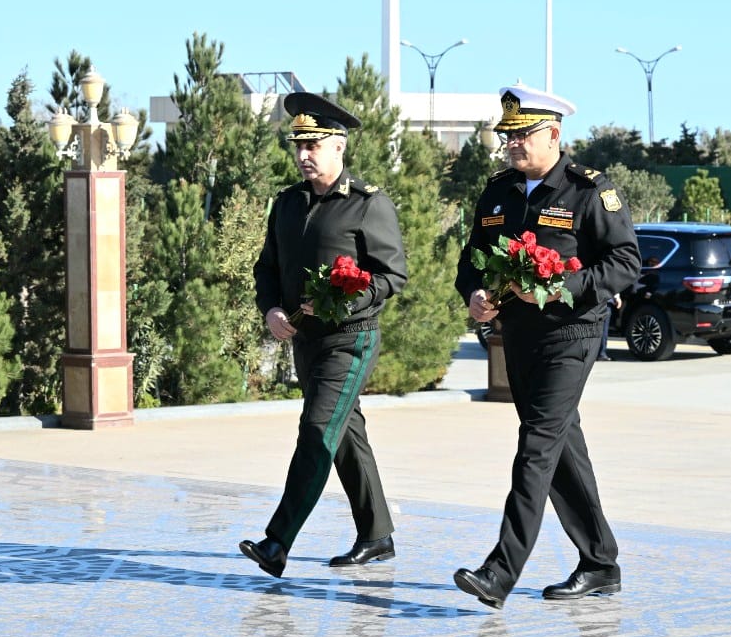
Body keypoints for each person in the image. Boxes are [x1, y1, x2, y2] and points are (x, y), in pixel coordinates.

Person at [452, 85, 641, 609]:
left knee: (536, 446)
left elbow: (626, 261)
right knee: (560, 449)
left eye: (521, 135)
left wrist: (566, 288)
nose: (511, 144)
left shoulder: (589, 192)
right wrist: (475, 294)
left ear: (553, 134)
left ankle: (499, 570)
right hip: (517, 336)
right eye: (506, 136)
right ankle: (601, 562)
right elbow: (472, 258)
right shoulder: (498, 193)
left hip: (571, 335)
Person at [240, 92, 408, 578]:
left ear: (339, 145)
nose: (303, 155)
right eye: (298, 146)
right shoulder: (288, 204)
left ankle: (277, 542)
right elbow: (267, 267)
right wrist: (271, 308)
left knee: (316, 430)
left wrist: (342, 302)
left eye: (313, 144)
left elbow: (391, 275)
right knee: (343, 432)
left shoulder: (367, 205)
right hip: (304, 340)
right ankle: (376, 535)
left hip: (350, 339)